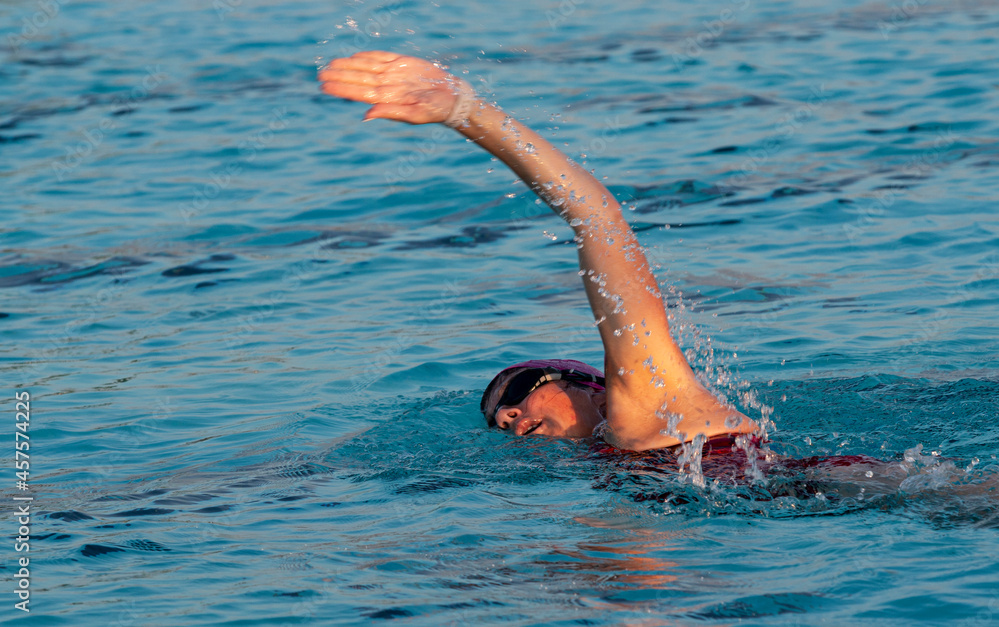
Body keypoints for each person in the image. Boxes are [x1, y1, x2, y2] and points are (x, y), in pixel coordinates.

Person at [318, 51, 758, 453]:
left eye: (517, 393)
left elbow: (598, 217)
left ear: (590, 386)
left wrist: (465, 113)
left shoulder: (656, 401)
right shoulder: (611, 457)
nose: (506, 417)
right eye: (498, 421)